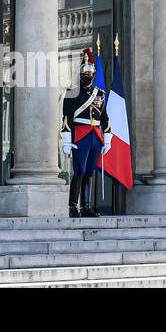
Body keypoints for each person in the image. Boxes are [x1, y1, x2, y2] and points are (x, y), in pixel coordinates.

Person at [60, 48, 111, 218]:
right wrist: (67, 141)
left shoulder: (101, 94)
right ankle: (73, 206)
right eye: (84, 72)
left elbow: (105, 117)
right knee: (79, 170)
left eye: (89, 72)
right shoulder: (71, 93)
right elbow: (66, 118)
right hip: (80, 135)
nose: (87, 76)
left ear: (94, 74)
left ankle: (87, 206)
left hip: (96, 136)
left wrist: (108, 138)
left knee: (90, 171)